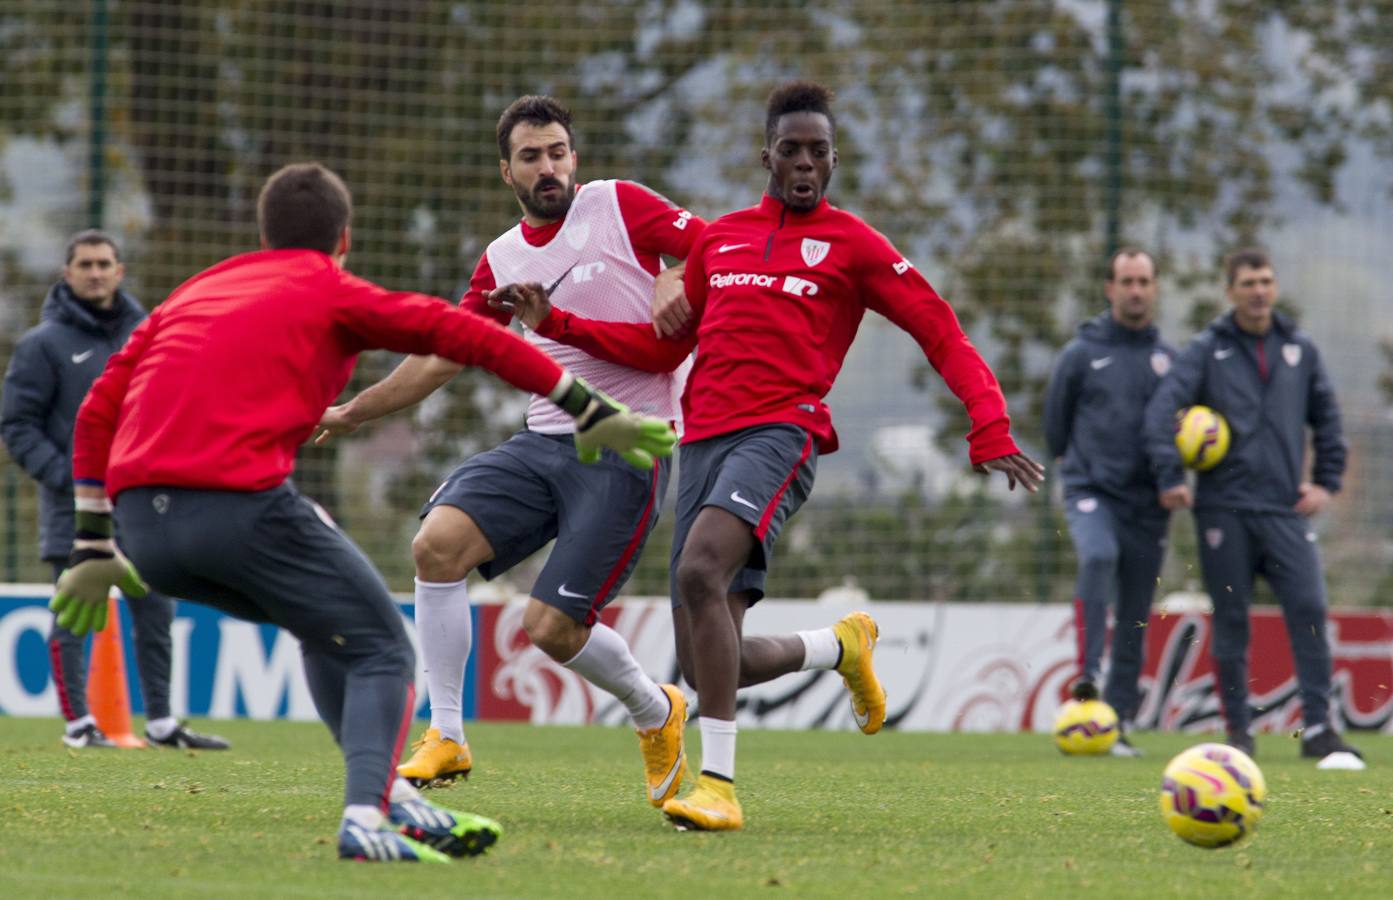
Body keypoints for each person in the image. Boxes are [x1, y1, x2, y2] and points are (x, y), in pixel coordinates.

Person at [53, 162, 675, 862]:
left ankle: (397, 801)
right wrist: (587, 407)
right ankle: (366, 820)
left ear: (263, 236)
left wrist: (90, 542)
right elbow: (468, 336)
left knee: (327, 628)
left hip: (143, 530)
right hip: (239, 510)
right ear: (343, 239)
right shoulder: (331, 291)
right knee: (381, 648)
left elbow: (100, 404)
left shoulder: (197, 289)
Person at [504, 81, 1045, 830]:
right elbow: (662, 348)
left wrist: (988, 422)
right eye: (789, 149)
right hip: (701, 443)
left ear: (831, 161)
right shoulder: (720, 240)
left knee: (698, 570)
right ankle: (839, 646)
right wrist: (555, 323)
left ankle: (719, 786)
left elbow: (937, 328)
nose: (803, 164)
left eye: (817, 152)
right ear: (767, 155)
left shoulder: (853, 244)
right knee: (704, 661)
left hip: (781, 432)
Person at [317, 95, 875, 811]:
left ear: (573, 158)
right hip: (540, 442)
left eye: (556, 152)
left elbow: (719, 249)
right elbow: (441, 357)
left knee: (547, 628)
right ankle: (447, 732)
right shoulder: (501, 260)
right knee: (435, 547)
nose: (546, 167)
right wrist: (355, 411)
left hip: (627, 453)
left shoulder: (621, 205)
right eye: (530, 157)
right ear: (506, 172)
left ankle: (654, 709)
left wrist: (675, 276)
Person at [1, 231, 228, 751]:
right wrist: (70, 479)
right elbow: (17, 427)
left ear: (120, 271)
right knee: (76, 611)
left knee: (156, 610)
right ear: (68, 273)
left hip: (144, 502)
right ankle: (79, 724)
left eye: (105, 263)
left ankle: (163, 723)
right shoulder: (43, 345)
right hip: (75, 509)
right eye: (85, 264)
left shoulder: (149, 335)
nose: (96, 272)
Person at [1143, 248, 1359, 763]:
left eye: (1265, 281)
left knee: (1309, 609)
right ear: (1230, 291)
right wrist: (1171, 476)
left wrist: (1325, 482)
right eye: (1247, 283)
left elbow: (1327, 420)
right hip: (1224, 510)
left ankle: (1317, 730)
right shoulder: (1207, 349)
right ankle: (1238, 733)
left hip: (1286, 510)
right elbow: (1162, 411)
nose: (1258, 290)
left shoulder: (1298, 349)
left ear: (1275, 287)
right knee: (1232, 619)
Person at [1042, 248, 1174, 757]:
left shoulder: (1170, 359)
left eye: (1144, 281)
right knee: (1097, 557)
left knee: (1137, 612)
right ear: (1109, 288)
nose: (1136, 290)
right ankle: (1086, 675)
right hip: (1092, 491)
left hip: (1150, 504)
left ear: (1154, 288)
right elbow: (1056, 425)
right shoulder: (1081, 353)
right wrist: (1073, 472)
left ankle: (1113, 726)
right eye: (1127, 281)